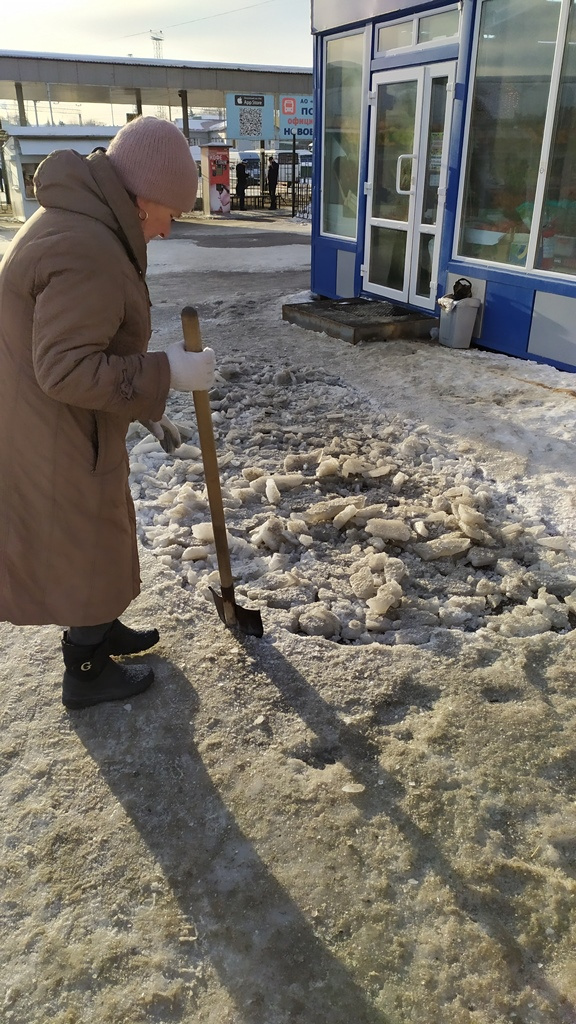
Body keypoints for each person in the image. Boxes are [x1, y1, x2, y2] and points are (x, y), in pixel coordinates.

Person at [0, 116, 216, 710]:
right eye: (171, 213)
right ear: (143, 198)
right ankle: (87, 670)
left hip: (61, 419)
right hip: (56, 429)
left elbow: (89, 342)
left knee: (98, 531)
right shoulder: (86, 246)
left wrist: (147, 407)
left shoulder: (85, 221)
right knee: (83, 538)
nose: (168, 229)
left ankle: (99, 626)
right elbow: (67, 368)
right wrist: (166, 373)